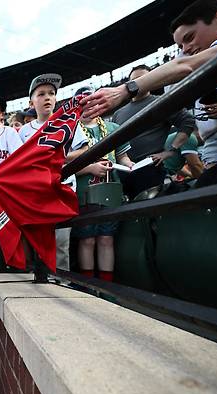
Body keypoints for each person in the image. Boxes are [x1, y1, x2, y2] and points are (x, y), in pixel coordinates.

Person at [81, 0, 217, 135]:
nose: (187, 49)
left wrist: (126, 89)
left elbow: (186, 66)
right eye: (181, 45)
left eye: (190, 37)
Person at [19, 74, 87, 271]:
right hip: (38, 193)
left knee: (61, 243)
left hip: (64, 189)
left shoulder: (68, 122)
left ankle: (62, 284)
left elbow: (84, 150)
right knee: (41, 242)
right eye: (41, 94)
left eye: (51, 93)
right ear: (31, 101)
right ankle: (42, 285)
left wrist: (59, 157)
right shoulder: (24, 131)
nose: (47, 97)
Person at [69, 87, 135, 281]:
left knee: (106, 238)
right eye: (83, 101)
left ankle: (108, 287)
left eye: (93, 99)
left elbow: (122, 156)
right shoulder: (71, 130)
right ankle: (90, 287)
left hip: (110, 189)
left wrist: (131, 165)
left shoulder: (112, 128)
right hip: (84, 193)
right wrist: (89, 168)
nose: (89, 104)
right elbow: (61, 167)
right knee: (87, 239)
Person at [111, 65, 195, 199]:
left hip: (149, 168)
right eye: (133, 80)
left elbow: (188, 122)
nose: (137, 83)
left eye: (143, 78)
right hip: (122, 171)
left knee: (152, 211)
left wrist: (170, 151)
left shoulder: (161, 102)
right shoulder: (118, 113)